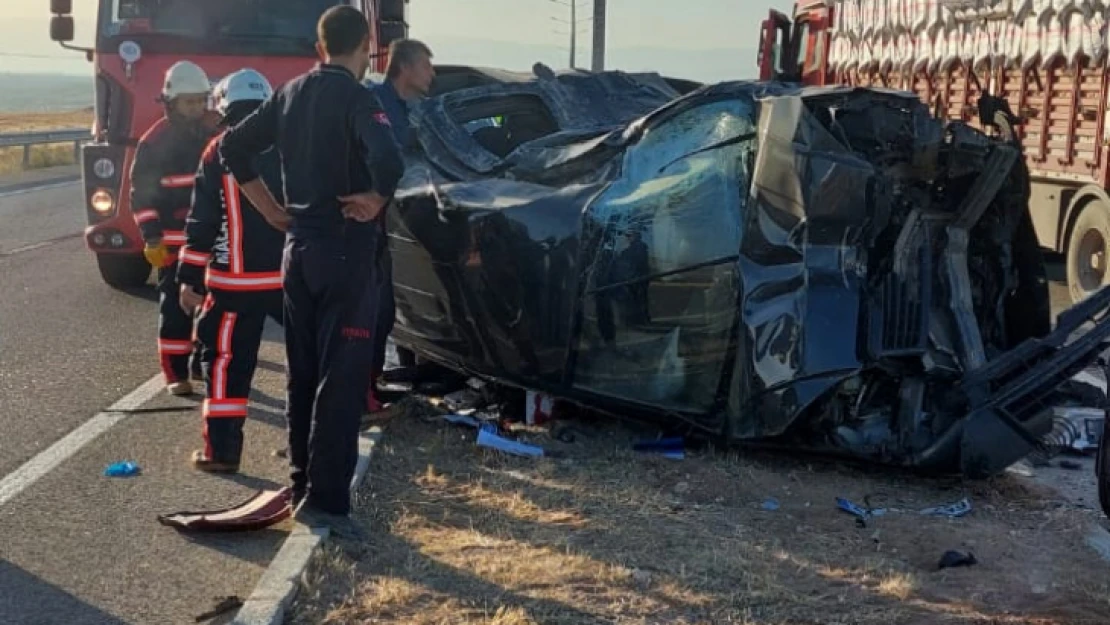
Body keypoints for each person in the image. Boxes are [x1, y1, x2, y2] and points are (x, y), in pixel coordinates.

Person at [219, 5, 405, 539]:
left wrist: (274, 212)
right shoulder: (358, 96)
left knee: (303, 374)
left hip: (297, 250)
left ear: (320, 46)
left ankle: (302, 485)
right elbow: (390, 159)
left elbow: (233, 147)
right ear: (366, 45)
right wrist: (375, 196)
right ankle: (326, 504)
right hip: (345, 252)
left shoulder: (289, 92)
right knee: (341, 379)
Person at [177, 69, 286, 474]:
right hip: (288, 279)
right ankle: (309, 449)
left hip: (233, 283)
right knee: (310, 359)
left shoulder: (216, 151)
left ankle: (221, 452)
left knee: (225, 363)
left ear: (223, 105)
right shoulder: (287, 144)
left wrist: (188, 277)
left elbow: (202, 221)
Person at [130, 60, 214, 396]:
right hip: (172, 242)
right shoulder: (155, 141)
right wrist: (151, 236)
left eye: (199, 101)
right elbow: (141, 194)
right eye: (188, 102)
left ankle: (201, 362)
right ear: (171, 102)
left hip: (207, 241)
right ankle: (175, 373)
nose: (195, 108)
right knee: (175, 309)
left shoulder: (212, 134)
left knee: (211, 304)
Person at [364, 38, 436, 420]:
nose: (432, 73)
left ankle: (369, 390)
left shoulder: (419, 111)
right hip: (360, 223)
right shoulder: (369, 100)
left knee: (382, 312)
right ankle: (362, 397)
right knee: (369, 313)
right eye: (426, 65)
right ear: (405, 67)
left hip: (389, 225)